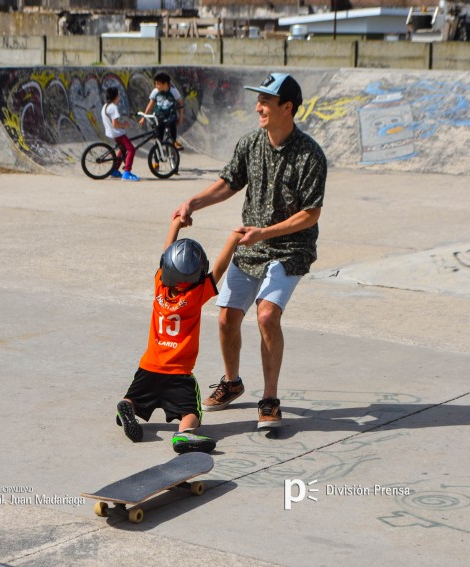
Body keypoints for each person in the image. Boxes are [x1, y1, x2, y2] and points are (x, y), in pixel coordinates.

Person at [172, 73, 327, 429]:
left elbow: (310, 213)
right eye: (259, 100)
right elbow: (228, 183)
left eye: (266, 102)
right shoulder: (251, 144)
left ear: (286, 108)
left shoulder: (310, 155)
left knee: (267, 316)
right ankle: (232, 382)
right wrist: (192, 203)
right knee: (227, 317)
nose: (258, 107)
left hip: (291, 247)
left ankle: (270, 399)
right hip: (251, 244)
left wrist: (266, 233)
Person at [116, 217, 243, 453]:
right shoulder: (195, 296)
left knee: (136, 398)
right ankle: (183, 435)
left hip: (149, 367)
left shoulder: (159, 286)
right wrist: (234, 239)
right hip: (179, 373)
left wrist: (175, 224)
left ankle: (127, 405)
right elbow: (219, 270)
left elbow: (165, 254)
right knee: (192, 412)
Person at [139, 72, 185, 151]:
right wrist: (144, 117)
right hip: (159, 116)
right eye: (155, 84)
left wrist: (181, 117)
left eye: (158, 84)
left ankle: (174, 141)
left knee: (172, 124)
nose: (156, 86)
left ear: (165, 84)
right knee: (159, 137)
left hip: (170, 115)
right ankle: (156, 160)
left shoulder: (173, 91)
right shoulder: (155, 91)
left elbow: (180, 103)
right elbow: (150, 104)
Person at [101, 86, 139, 181]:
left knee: (122, 150)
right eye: (118, 95)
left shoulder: (105, 106)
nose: (119, 97)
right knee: (131, 149)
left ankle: (114, 170)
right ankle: (127, 172)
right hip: (117, 133)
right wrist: (125, 125)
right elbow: (115, 124)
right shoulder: (113, 107)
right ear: (116, 97)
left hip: (111, 133)